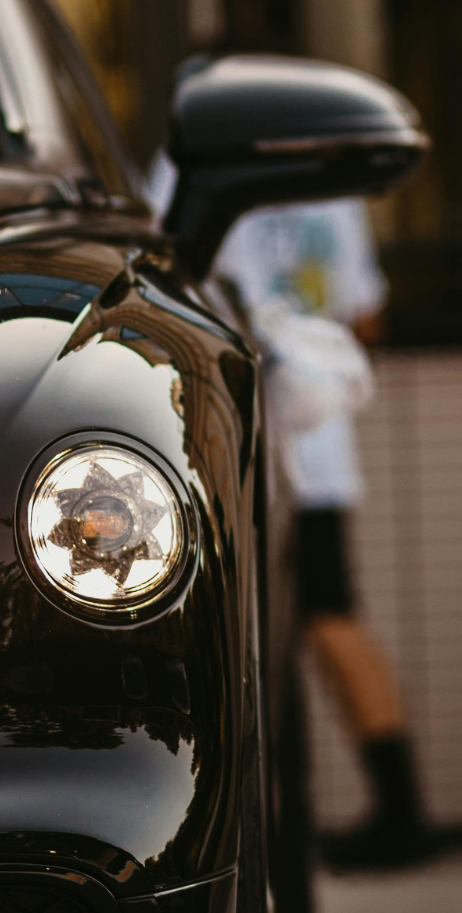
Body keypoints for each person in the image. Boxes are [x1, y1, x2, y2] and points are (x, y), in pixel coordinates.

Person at [145, 154, 435, 870]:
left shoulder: (190, 157)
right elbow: (364, 313)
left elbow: (154, 285)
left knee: (289, 622)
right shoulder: (330, 176)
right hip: (312, 438)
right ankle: (388, 806)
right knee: (321, 615)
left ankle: (377, 811)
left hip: (232, 442)